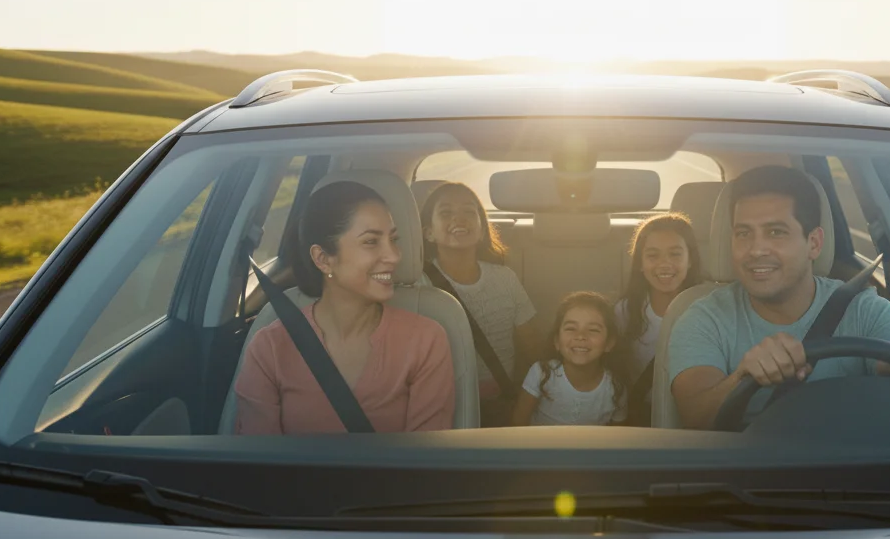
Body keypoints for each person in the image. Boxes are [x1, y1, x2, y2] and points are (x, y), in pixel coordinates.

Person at [668, 165, 890, 430]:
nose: (755, 250)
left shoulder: (866, 310)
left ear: (813, 243)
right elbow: (695, 418)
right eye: (743, 233)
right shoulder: (702, 318)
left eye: (775, 232)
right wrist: (741, 377)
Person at [235, 181, 456, 434]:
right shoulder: (270, 347)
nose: (395, 255)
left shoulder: (425, 340)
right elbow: (256, 464)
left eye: (393, 239)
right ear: (323, 259)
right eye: (371, 242)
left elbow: (427, 464)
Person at [420, 182, 537, 408]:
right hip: (443, 402)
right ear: (429, 232)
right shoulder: (419, 286)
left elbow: (532, 346)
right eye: (446, 213)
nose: (459, 219)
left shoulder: (505, 279)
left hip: (502, 398)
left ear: (482, 230)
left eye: (468, 211)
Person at [615, 213, 704, 421]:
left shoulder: (707, 309)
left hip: (693, 413)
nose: (664, 264)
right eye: (653, 256)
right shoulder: (626, 311)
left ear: (690, 260)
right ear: (640, 264)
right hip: (642, 412)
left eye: (675, 254)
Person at [511, 292, 628, 426]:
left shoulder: (616, 388)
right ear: (557, 341)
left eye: (593, 330)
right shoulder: (542, 373)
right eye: (571, 328)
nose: (580, 336)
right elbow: (518, 423)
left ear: (609, 343)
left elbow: (618, 435)